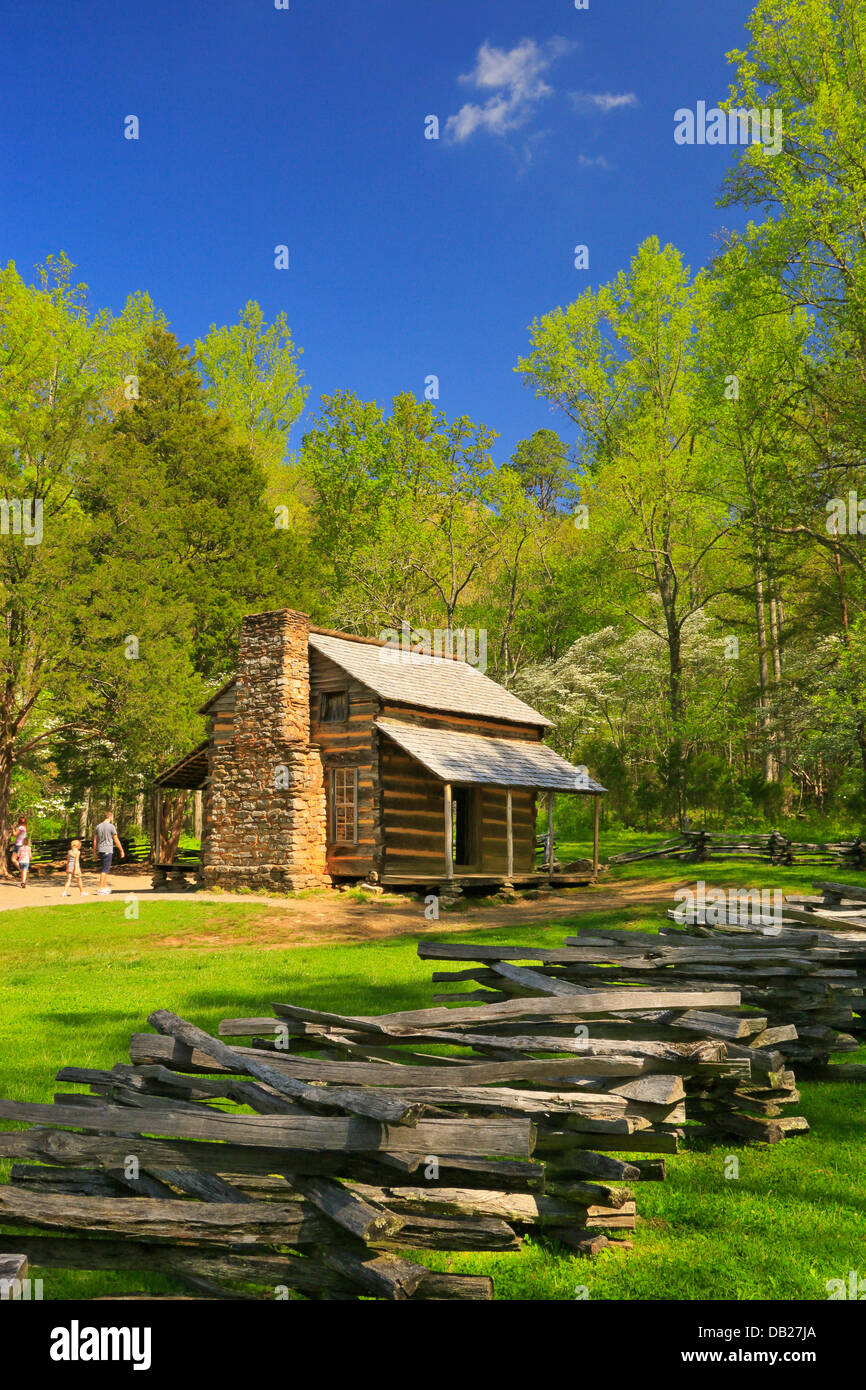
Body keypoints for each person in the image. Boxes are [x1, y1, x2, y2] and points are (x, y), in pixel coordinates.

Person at [93, 813, 125, 895]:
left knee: (105, 869)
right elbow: (116, 839)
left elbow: (95, 840)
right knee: (105, 870)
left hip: (100, 850)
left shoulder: (98, 826)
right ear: (110, 817)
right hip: (107, 849)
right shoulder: (111, 827)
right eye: (112, 817)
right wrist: (121, 850)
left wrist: (94, 852)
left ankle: (103, 887)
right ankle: (100, 888)